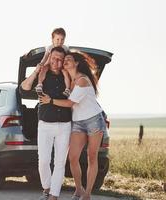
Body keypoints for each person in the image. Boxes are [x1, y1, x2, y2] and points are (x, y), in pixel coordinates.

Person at [39, 51, 108, 200]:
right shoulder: (69, 79)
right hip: (77, 121)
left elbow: (70, 103)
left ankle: (87, 194)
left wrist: (50, 101)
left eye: (68, 59)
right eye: (65, 59)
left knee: (92, 157)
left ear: (76, 63)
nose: (65, 61)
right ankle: (78, 189)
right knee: (73, 157)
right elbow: (48, 69)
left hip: (93, 120)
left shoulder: (82, 80)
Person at [20, 46, 72, 200]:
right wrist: (39, 67)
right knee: (43, 161)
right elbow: (24, 88)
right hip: (45, 125)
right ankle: (47, 189)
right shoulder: (42, 75)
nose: (57, 62)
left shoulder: (68, 77)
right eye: (54, 58)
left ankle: (53, 196)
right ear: (50, 58)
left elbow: (72, 99)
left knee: (60, 162)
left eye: (60, 59)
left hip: (64, 125)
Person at [35, 28, 71, 97]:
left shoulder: (65, 48)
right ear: (52, 39)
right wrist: (41, 64)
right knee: (44, 69)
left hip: (60, 64)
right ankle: (39, 84)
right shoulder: (50, 48)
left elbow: (67, 57)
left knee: (65, 73)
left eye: (62, 39)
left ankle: (67, 89)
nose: (60, 42)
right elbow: (45, 57)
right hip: (49, 64)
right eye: (57, 39)